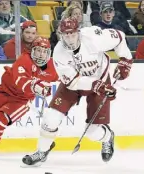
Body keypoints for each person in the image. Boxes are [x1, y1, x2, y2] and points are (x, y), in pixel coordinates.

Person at [22, 17, 133, 166]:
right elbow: (73, 82)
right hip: (75, 85)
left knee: (92, 132)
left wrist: (125, 60)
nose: (69, 38)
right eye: (65, 34)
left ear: (78, 32)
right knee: (51, 118)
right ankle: (42, 151)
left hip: (100, 80)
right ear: (60, 34)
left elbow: (119, 36)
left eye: (72, 33)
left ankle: (107, 137)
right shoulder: (59, 52)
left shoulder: (94, 37)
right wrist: (95, 85)